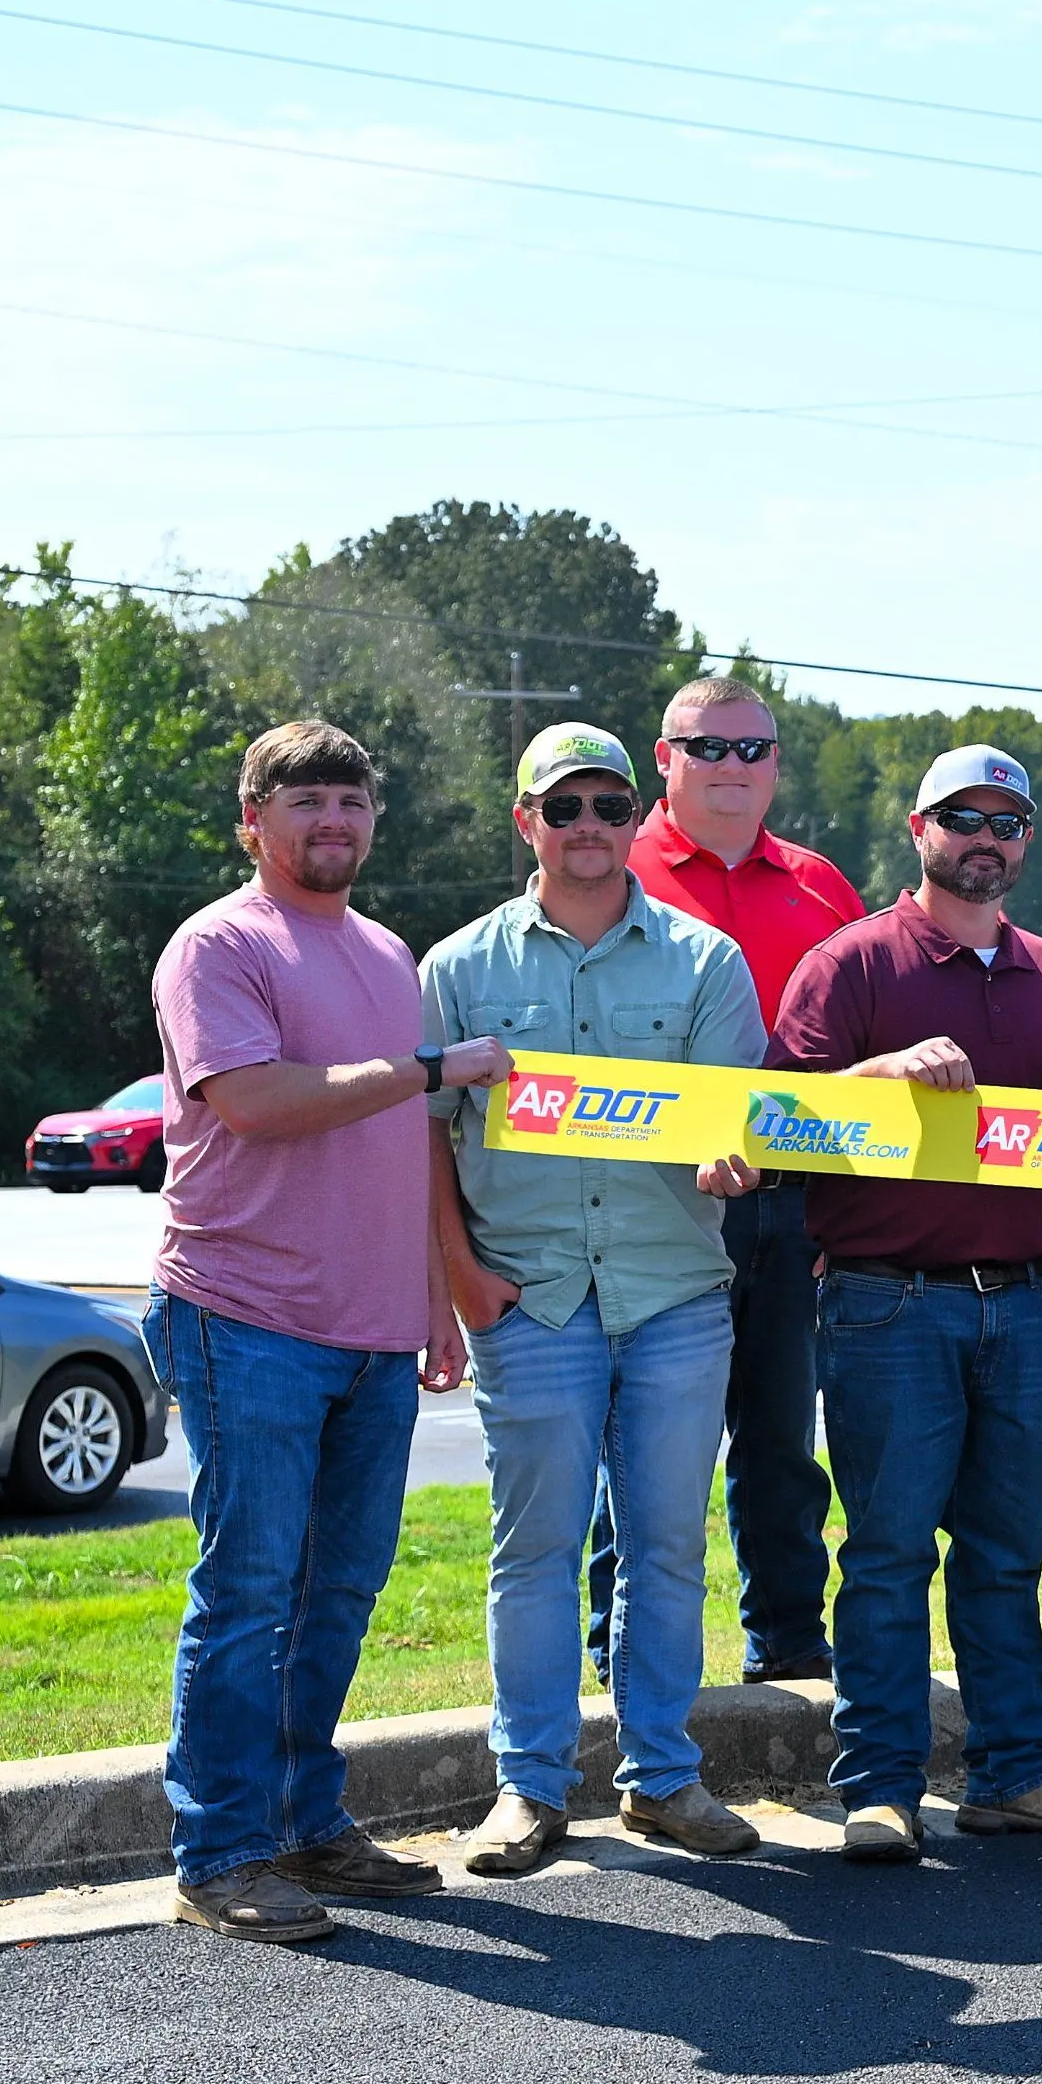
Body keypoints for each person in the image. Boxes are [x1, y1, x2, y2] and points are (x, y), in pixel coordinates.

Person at [150, 721, 510, 1944]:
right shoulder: (219, 944)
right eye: (305, 803)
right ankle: (221, 1854)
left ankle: (309, 1823)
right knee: (248, 1591)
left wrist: (431, 1296)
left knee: (340, 1590)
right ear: (251, 820)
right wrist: (425, 1067)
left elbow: (403, 1138)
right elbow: (253, 1104)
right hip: (242, 1313)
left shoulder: (381, 951)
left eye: (351, 802)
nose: (332, 824)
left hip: (371, 1327)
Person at [776, 746, 1042, 1862]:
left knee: (1005, 1551)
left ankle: (1016, 1774)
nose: (987, 837)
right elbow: (767, 1120)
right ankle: (879, 1788)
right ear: (918, 828)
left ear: (1025, 839)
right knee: (886, 1552)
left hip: (1019, 1303)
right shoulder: (849, 965)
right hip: (886, 1305)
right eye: (964, 817)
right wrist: (879, 1073)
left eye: (1008, 821)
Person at [424, 725, 769, 1876]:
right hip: (530, 1303)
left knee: (668, 1549)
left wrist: (735, 1160)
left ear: (636, 819)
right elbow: (421, 1143)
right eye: (561, 805)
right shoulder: (457, 970)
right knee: (533, 1553)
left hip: (673, 1294)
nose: (587, 826)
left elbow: (736, 1118)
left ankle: (663, 1777)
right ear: (523, 820)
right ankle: (527, 1787)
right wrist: (460, 1280)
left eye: (608, 805)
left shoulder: (706, 959)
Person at [626, 677, 867, 1682]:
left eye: (753, 749)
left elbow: (872, 1053)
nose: (732, 768)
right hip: (649, 1211)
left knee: (780, 1445)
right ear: (664, 756)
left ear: (777, 763)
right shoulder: (609, 867)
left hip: (794, 1210)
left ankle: (789, 1655)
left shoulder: (822, 885)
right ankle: (630, 1677)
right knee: (643, 1461)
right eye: (708, 747)